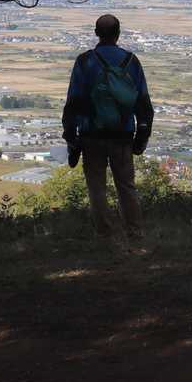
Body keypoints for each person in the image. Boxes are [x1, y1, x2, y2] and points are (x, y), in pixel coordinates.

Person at [63, 13, 154, 242]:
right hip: (123, 134)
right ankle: (135, 233)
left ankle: (104, 234)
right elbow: (143, 102)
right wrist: (142, 136)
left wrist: (71, 136)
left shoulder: (85, 61)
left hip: (91, 134)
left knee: (96, 188)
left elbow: (73, 101)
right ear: (118, 34)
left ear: (96, 33)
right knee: (126, 186)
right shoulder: (131, 61)